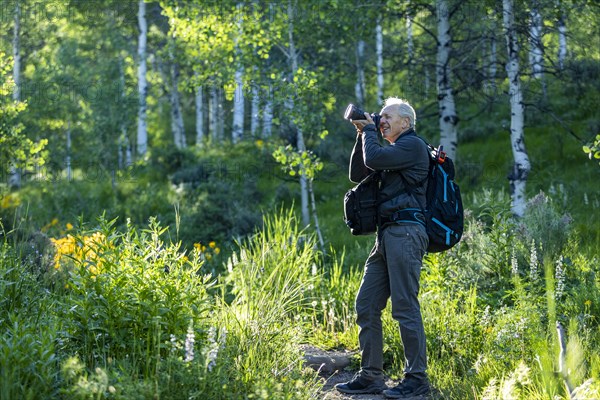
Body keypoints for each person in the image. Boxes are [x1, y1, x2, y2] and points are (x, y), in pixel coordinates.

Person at [335, 97, 431, 399]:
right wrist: (363, 133)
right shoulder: (391, 151)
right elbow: (358, 172)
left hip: (406, 232)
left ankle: (417, 380)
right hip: (387, 234)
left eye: (388, 117)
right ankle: (370, 377)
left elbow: (374, 159)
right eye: (381, 117)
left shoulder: (412, 146)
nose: (383, 120)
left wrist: (370, 132)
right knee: (366, 304)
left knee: (404, 307)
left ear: (406, 122)